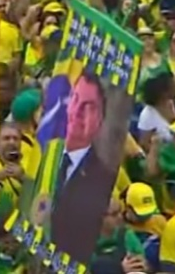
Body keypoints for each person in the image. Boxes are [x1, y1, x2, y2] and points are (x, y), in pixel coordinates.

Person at [50, 71, 118, 259]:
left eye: (88, 107)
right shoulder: (43, 155)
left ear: (100, 120)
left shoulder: (103, 177)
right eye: (75, 99)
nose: (77, 111)